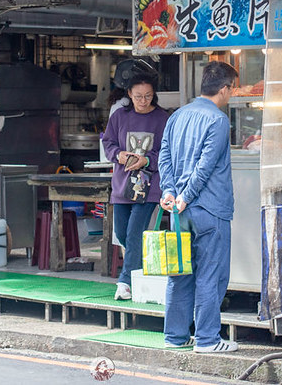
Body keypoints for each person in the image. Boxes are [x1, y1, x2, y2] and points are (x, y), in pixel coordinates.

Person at [157, 61, 239, 353]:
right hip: (209, 209)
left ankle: (175, 336)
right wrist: (187, 196)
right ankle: (207, 339)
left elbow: (163, 157)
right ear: (225, 89)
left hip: (179, 212)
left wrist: (171, 192)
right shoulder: (217, 121)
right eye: (232, 89)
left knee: (180, 274)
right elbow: (205, 166)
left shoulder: (177, 116)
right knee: (210, 275)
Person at [100, 72, 168, 301]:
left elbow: (168, 152)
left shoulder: (162, 118)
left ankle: (125, 281)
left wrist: (147, 160)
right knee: (121, 233)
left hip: (150, 186)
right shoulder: (119, 116)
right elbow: (108, 142)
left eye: (148, 96)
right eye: (138, 96)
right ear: (129, 94)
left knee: (134, 232)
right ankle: (140, 273)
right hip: (122, 183)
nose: (143, 100)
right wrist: (118, 155)